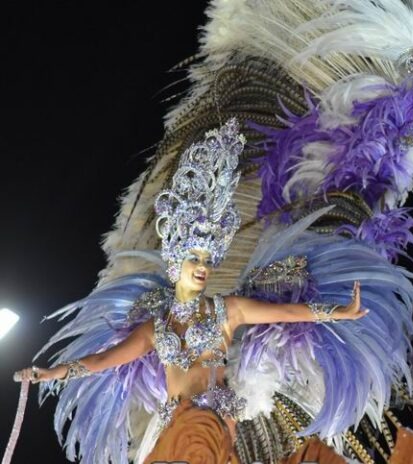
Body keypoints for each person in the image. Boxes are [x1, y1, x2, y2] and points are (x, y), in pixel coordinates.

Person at [13, 118, 369, 464]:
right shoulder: (155, 329)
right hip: (173, 429)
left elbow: (288, 313)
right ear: (175, 262)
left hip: (216, 426)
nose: (203, 267)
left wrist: (340, 313)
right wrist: (51, 373)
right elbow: (103, 360)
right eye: (194, 258)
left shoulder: (227, 311)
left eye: (208, 260)